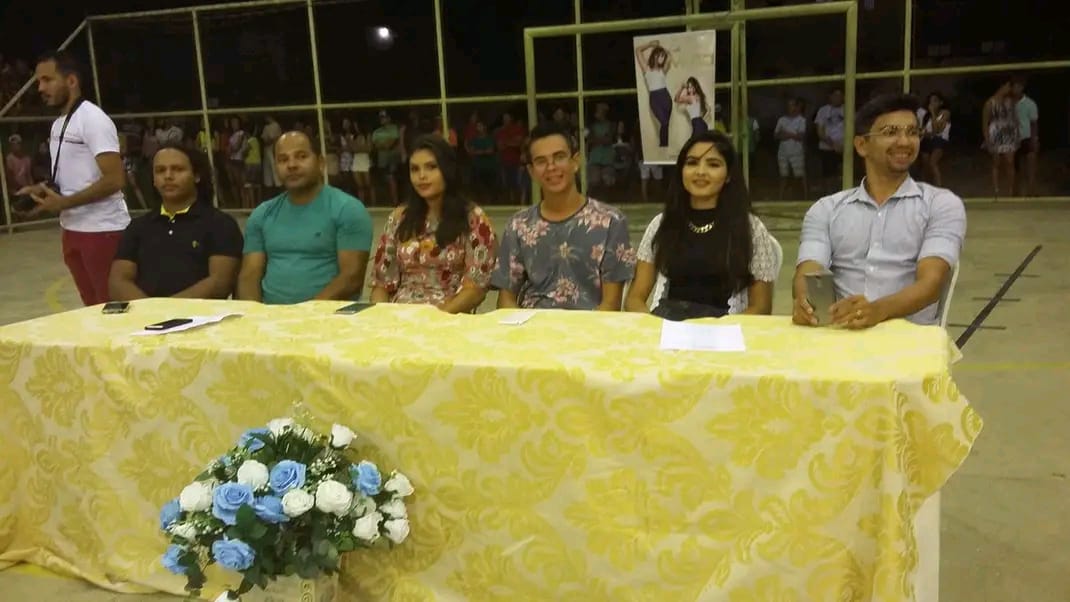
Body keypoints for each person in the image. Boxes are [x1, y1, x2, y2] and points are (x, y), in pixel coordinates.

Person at [793, 93, 966, 329]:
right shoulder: (827, 209)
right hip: (841, 334)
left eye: (912, 132)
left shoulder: (941, 204)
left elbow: (931, 284)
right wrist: (805, 302)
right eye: (890, 132)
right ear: (861, 145)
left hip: (909, 340)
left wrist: (877, 311)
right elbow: (809, 271)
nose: (904, 142)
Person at [16, 50, 130, 306]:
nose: (40, 88)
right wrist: (40, 190)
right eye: (38, 81)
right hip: (72, 228)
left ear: (71, 81)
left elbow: (115, 179)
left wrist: (63, 203)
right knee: (91, 307)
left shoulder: (93, 119)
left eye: (47, 80)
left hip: (102, 230)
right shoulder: (59, 123)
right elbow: (73, 178)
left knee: (112, 308)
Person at [625, 131, 777, 320]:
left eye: (713, 164)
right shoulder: (661, 224)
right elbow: (634, 299)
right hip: (668, 326)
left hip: (725, 329)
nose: (700, 172)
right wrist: (654, 328)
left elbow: (761, 307)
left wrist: (717, 332)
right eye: (692, 163)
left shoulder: (751, 228)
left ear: (728, 175)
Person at [492, 122, 635, 310]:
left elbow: (611, 304)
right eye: (541, 161)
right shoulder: (518, 226)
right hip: (532, 324)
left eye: (559, 157)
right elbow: (506, 300)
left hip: (590, 325)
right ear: (531, 172)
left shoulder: (611, 222)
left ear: (575, 161)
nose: (551, 167)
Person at [236, 131, 373, 304]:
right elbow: (249, 275)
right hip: (269, 316)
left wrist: (305, 313)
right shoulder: (262, 214)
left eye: (301, 156)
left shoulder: (348, 209)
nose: (291, 165)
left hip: (327, 315)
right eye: (283, 159)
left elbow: (351, 278)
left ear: (321, 163)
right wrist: (254, 314)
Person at [371, 135, 497, 313]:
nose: (421, 176)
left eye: (431, 167)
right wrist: (381, 316)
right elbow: (381, 285)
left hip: (449, 316)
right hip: (398, 316)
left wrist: (435, 320)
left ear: (448, 169)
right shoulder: (399, 217)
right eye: (415, 169)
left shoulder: (474, 219)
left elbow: (475, 289)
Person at [108, 145, 242, 301]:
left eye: (178, 169)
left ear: (197, 175)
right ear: (153, 179)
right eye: (160, 170)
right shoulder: (138, 227)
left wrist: (169, 309)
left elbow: (220, 283)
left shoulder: (220, 224)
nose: (168, 176)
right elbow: (118, 282)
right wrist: (150, 310)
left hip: (201, 314)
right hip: (144, 314)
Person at [982, 78, 1019, 198]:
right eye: (1008, 86)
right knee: (996, 162)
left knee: (1010, 162)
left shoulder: (1010, 101)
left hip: (1009, 133)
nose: (1009, 89)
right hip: (996, 133)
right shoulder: (990, 103)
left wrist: (1017, 134)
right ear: (1002, 86)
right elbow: (985, 123)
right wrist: (987, 140)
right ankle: (996, 190)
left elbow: (1015, 118)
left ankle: (1010, 190)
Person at [635, 40, 672, 147]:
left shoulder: (663, 70)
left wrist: (662, 50)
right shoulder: (646, 68)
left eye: (663, 57)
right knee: (664, 123)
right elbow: (638, 50)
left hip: (666, 97)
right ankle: (663, 146)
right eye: (660, 56)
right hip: (655, 98)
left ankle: (664, 148)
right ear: (655, 56)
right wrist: (651, 45)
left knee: (666, 125)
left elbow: (669, 55)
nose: (662, 58)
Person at [774, 97, 808, 199]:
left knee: (800, 175)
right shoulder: (781, 120)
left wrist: (786, 134)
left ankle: (805, 197)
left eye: (793, 105)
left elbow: (801, 136)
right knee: (783, 175)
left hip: (797, 151)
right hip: (783, 151)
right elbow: (776, 135)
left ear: (797, 106)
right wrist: (793, 135)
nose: (790, 108)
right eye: (789, 105)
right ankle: (780, 197)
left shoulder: (802, 120)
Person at [1011, 75, 1039, 196]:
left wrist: (1034, 139)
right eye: (1014, 86)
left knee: (1030, 168)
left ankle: (1031, 192)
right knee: (1016, 169)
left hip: (1026, 138)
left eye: (1018, 86)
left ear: (1022, 87)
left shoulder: (1030, 103)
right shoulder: (1008, 103)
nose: (1016, 89)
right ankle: (1016, 193)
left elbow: (1034, 123)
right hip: (1012, 139)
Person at [814, 88, 846, 191]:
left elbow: (853, 128)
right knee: (828, 175)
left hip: (844, 148)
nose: (838, 98)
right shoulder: (823, 110)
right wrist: (833, 145)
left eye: (840, 95)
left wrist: (844, 145)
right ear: (830, 97)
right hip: (827, 148)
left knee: (842, 174)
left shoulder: (848, 109)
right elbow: (820, 132)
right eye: (835, 95)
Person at [917, 92, 951, 187]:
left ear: (941, 103)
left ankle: (938, 187)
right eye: (930, 101)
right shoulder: (925, 115)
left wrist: (932, 113)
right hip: (927, 139)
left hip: (939, 140)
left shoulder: (944, 113)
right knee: (925, 165)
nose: (932, 103)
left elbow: (937, 130)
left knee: (933, 162)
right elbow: (923, 130)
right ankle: (925, 186)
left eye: (935, 101)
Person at [373, 110, 401, 205]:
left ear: (389, 118)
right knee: (384, 182)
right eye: (381, 117)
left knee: (392, 180)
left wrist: (383, 144)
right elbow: (376, 145)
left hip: (392, 159)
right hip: (381, 161)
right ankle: (387, 201)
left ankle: (395, 201)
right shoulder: (377, 131)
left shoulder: (394, 128)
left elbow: (391, 143)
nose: (382, 119)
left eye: (384, 117)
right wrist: (385, 143)